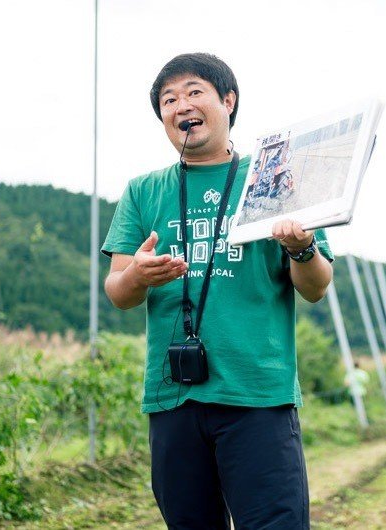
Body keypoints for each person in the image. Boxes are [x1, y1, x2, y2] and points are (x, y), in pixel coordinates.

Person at [101, 52, 333, 530]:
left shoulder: (271, 177)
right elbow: (119, 293)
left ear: (228, 101)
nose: (180, 104)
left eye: (193, 91)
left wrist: (302, 249)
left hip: (257, 395)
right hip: (172, 399)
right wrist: (137, 277)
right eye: (168, 99)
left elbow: (316, 287)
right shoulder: (144, 190)